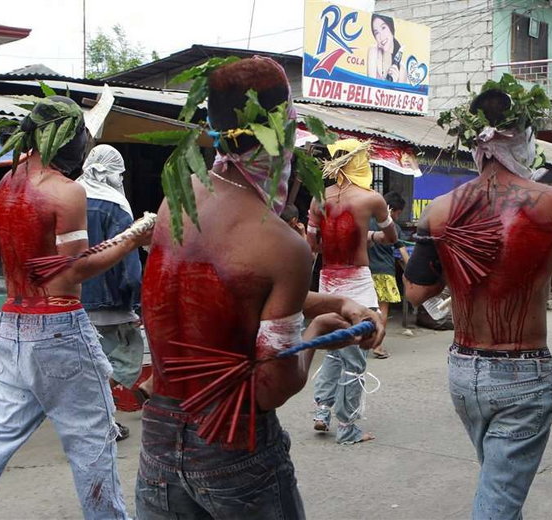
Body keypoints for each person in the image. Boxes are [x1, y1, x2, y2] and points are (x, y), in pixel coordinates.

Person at [137, 57, 383, 519]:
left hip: (159, 440)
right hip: (234, 449)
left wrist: (335, 302)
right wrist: (319, 334)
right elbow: (271, 386)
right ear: (285, 130)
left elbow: (233, 298)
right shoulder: (281, 243)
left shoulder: (178, 201)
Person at [404, 85, 552, 519]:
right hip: (523, 371)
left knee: (500, 488)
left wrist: (455, 256)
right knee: (499, 501)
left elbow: (416, 291)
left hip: (463, 371)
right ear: (525, 138)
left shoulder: (442, 210)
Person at [0, 97, 150, 519]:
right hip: (58, 328)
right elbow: (75, 270)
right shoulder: (65, 191)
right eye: (82, 135)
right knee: (91, 439)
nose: (84, 145)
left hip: (14, 324)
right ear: (65, 138)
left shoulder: (8, 184)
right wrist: (134, 237)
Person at [307, 138, 397, 444]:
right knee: (356, 355)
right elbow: (391, 236)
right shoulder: (371, 198)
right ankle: (347, 427)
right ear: (360, 162)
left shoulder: (318, 198)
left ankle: (322, 410)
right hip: (356, 282)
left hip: (327, 281)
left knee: (334, 349)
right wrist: (369, 235)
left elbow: (313, 244)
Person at [77, 144, 147, 441]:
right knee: (121, 359)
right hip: (111, 302)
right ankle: (104, 423)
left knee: (89, 361)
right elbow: (127, 262)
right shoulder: (115, 204)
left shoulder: (70, 195)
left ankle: (92, 421)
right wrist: (137, 303)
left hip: (73, 298)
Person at [368, 191, 410, 359]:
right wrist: (411, 270)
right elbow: (402, 252)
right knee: (382, 310)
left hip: (366, 272)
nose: (398, 217)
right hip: (385, 273)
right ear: (391, 210)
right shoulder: (393, 227)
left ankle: (362, 341)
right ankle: (377, 345)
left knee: (367, 308)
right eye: (398, 213)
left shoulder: (367, 222)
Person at [366, 14, 406, 83]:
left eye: (383, 28)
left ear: (391, 28)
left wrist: (393, 83)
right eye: (376, 33)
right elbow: (371, 86)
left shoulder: (402, 70)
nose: (381, 37)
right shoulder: (373, 51)